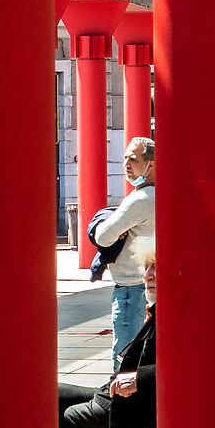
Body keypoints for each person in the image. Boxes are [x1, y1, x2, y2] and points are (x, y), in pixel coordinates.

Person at [61, 251, 157, 428]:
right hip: (114, 395)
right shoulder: (158, 308)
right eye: (146, 268)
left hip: (131, 409)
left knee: (50, 423)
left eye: (156, 267)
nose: (148, 275)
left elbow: (198, 369)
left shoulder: (187, 316)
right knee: (46, 395)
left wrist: (141, 378)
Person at [88, 137, 156, 352]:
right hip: (150, 283)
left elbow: (103, 236)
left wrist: (102, 224)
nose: (126, 164)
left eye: (133, 159)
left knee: (125, 357)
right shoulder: (163, 194)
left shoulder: (140, 199)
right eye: (125, 158)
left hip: (131, 287)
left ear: (151, 164)